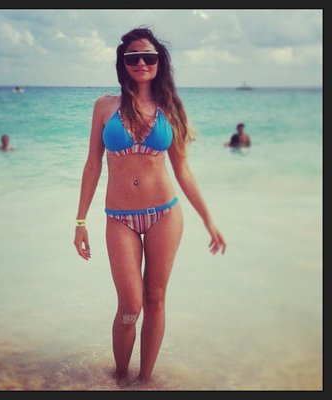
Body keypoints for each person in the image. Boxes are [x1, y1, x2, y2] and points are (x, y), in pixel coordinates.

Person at [74, 28, 226, 385]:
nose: (141, 62)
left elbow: (183, 170)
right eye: (133, 57)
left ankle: (144, 382)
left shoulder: (170, 108)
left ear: (160, 62)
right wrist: (80, 221)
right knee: (130, 306)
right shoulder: (104, 107)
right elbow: (93, 165)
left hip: (164, 214)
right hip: (119, 218)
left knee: (155, 299)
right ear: (123, 64)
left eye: (149, 56)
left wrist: (209, 220)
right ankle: (118, 379)